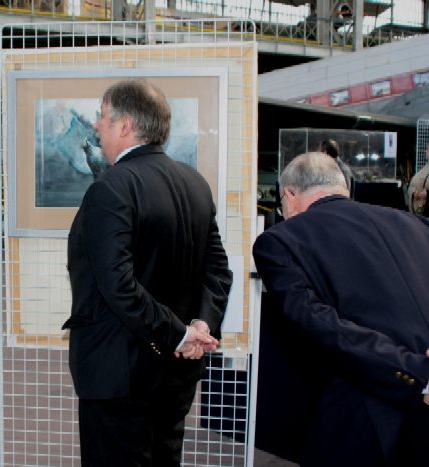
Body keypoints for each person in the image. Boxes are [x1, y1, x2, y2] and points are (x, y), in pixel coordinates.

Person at [62, 79, 233, 466]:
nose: (96, 125)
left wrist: (182, 334)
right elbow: (218, 270)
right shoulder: (195, 184)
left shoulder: (111, 187)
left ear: (124, 125)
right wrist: (200, 325)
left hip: (120, 376)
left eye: (102, 116)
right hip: (176, 373)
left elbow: (118, 284)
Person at [253, 152, 429, 467]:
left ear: (290, 196)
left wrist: (415, 371)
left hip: (363, 417)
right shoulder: (416, 224)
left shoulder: (279, 241)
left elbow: (320, 325)